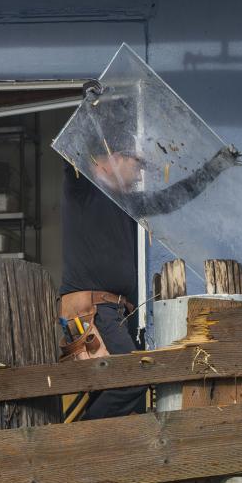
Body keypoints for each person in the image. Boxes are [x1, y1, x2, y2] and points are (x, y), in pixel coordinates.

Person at [59, 159, 148, 419]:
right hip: (92, 310)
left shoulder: (127, 202)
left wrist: (211, 169)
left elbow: (170, 199)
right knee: (133, 377)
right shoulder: (83, 188)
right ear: (112, 159)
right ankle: (80, 446)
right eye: (136, 162)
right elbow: (71, 157)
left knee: (111, 387)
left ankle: (90, 452)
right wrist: (97, 124)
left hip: (113, 311)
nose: (141, 171)